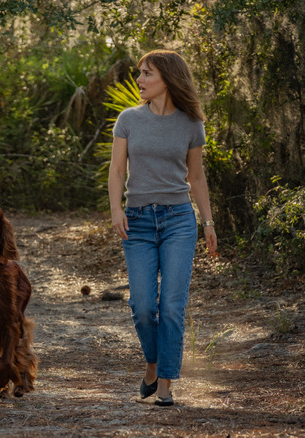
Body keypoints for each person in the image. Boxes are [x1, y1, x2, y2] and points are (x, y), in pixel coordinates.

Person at [108, 50, 218, 407]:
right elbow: (116, 170)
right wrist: (115, 209)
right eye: (140, 73)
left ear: (167, 79)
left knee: (171, 305)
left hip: (178, 221)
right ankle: (152, 364)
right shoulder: (128, 119)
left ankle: (166, 384)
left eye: (146, 74)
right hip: (138, 221)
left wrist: (208, 222)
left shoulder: (190, 123)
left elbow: (196, 176)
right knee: (142, 306)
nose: (139, 80)